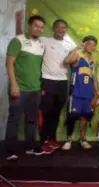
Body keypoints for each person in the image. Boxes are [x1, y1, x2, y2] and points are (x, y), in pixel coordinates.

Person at [5, 15, 46, 160]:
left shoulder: (41, 45)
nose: (38, 29)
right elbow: (9, 64)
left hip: (35, 89)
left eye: (41, 27)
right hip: (20, 88)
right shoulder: (18, 41)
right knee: (14, 119)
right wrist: (14, 85)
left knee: (32, 119)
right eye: (36, 26)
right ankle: (10, 151)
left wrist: (40, 86)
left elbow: (37, 67)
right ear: (29, 26)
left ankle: (30, 146)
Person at [38, 19, 76, 154]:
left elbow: (75, 56)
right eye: (59, 27)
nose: (61, 30)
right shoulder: (44, 41)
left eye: (64, 28)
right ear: (53, 28)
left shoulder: (69, 44)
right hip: (47, 80)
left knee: (56, 112)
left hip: (62, 81)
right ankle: (43, 141)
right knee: (46, 112)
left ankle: (52, 139)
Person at [61, 35, 99, 150]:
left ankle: (83, 139)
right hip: (76, 92)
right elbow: (66, 61)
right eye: (89, 44)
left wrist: (97, 93)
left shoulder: (93, 61)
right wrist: (77, 47)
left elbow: (95, 79)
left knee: (84, 117)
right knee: (72, 116)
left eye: (94, 45)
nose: (91, 46)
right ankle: (69, 139)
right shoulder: (78, 55)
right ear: (84, 44)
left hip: (88, 94)